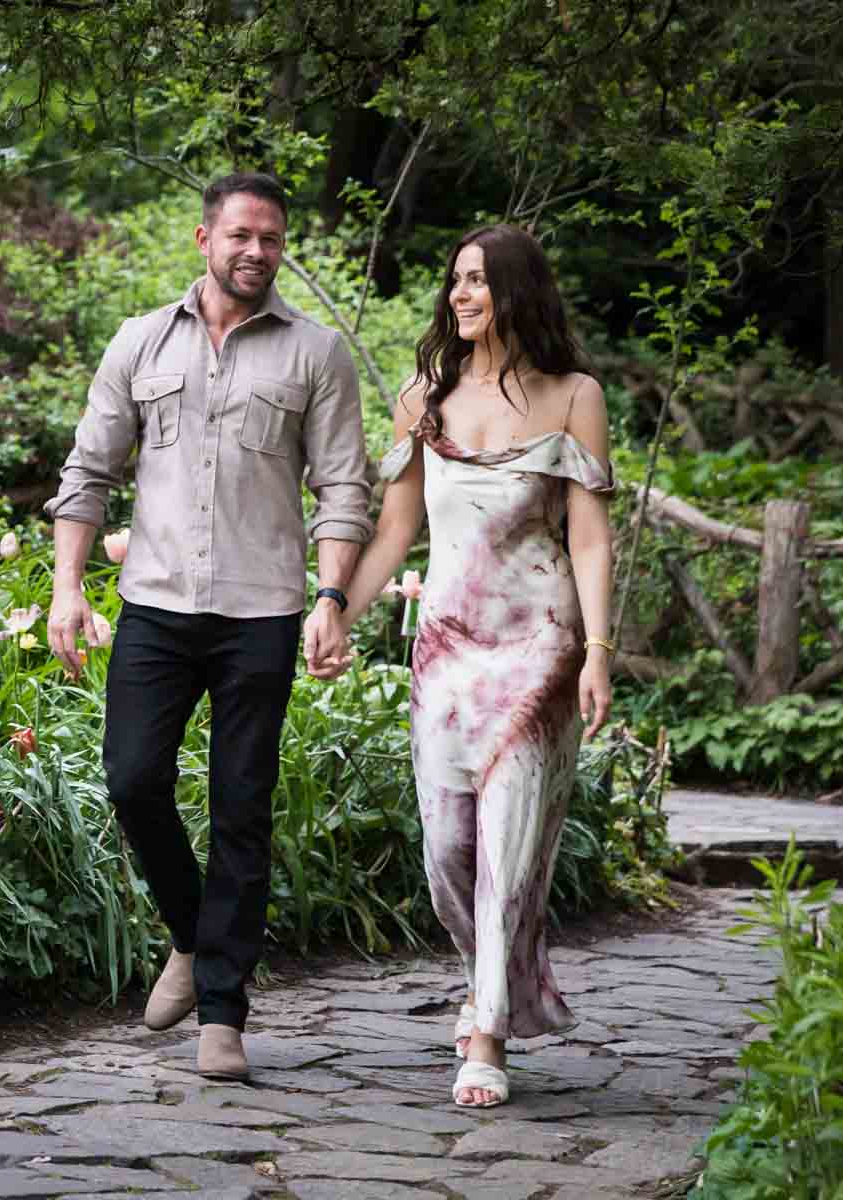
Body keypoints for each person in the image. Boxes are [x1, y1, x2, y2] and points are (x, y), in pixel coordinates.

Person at [44, 172, 372, 1082]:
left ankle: (223, 1012)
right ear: (203, 239)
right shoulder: (138, 341)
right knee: (132, 779)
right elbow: (89, 471)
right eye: (240, 236)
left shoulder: (318, 354)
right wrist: (68, 590)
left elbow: (345, 488)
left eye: (270, 238)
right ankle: (191, 936)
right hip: (152, 603)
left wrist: (333, 598)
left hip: (262, 612)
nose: (256, 252)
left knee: (242, 808)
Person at [333, 223, 615, 1108]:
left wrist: (598, 653)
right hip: (448, 655)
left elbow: (590, 537)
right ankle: (495, 977)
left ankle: (487, 1033)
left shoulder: (575, 396)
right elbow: (393, 531)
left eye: (479, 282)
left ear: (518, 294)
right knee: (449, 854)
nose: (461, 295)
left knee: (509, 845)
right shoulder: (425, 394)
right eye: (455, 280)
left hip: (540, 651)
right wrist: (336, 607)